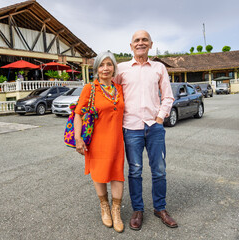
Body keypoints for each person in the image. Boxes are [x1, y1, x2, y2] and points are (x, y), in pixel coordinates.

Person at [114, 30, 178, 230]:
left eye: (144, 40)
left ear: (151, 44)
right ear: (131, 46)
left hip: (154, 127)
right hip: (130, 128)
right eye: (136, 40)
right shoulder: (121, 68)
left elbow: (168, 96)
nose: (140, 43)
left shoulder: (158, 67)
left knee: (159, 170)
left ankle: (160, 208)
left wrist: (159, 118)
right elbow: (112, 95)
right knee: (135, 171)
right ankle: (137, 210)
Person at [74, 51, 125, 233]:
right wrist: (78, 138)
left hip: (117, 141)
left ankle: (116, 210)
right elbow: (78, 114)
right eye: (101, 65)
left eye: (109, 64)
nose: (105, 68)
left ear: (114, 68)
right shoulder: (90, 88)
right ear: (96, 69)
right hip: (96, 142)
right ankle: (104, 207)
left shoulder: (119, 89)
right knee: (100, 174)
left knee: (117, 174)